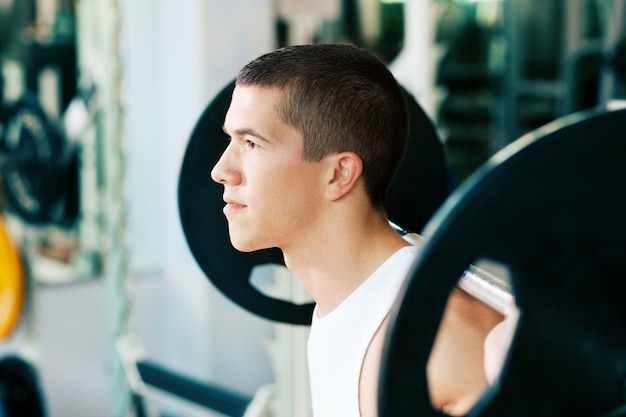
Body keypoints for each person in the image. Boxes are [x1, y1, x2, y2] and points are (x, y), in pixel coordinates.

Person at [211, 43, 502, 417]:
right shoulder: (347, 302)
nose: (221, 170)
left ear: (339, 174)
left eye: (251, 143)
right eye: (230, 140)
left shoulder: (440, 338)